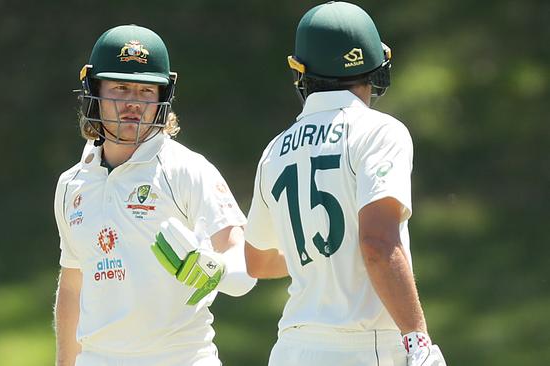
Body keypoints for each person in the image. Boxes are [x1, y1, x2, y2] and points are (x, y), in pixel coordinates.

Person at [244, 2, 447, 366]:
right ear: (375, 66)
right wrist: (418, 340)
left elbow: (257, 262)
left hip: (291, 349)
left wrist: (324, 255)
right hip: (364, 347)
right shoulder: (381, 132)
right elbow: (377, 244)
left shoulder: (275, 149)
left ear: (301, 73)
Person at [53, 24, 256, 366]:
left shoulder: (185, 169)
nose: (133, 103)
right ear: (93, 91)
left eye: (147, 91)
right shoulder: (73, 184)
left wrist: (217, 269)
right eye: (120, 87)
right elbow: (73, 286)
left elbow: (241, 255)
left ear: (163, 97)